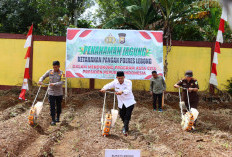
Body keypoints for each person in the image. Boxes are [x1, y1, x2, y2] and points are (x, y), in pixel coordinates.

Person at [100, 71, 136, 136]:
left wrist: (121, 92)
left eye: (121, 78)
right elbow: (108, 85)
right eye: (119, 78)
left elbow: (128, 90)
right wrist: (103, 88)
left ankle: (125, 129)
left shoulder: (128, 82)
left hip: (129, 102)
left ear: (124, 77)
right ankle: (125, 126)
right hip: (121, 102)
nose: (120, 80)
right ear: (117, 78)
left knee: (127, 116)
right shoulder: (115, 82)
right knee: (121, 115)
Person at [38, 61, 64, 126]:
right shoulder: (50, 72)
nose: (54, 68)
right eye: (53, 67)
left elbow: (62, 82)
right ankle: (53, 120)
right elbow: (43, 76)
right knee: (52, 106)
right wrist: (40, 80)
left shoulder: (62, 73)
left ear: (59, 66)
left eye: (56, 67)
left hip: (59, 93)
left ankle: (58, 117)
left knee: (58, 106)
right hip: (51, 92)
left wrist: (54, 84)